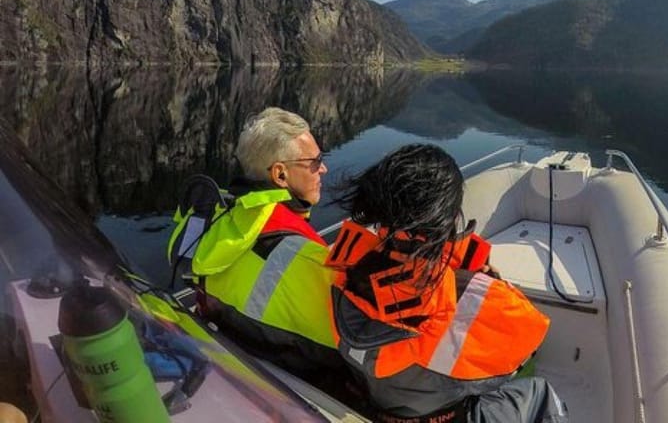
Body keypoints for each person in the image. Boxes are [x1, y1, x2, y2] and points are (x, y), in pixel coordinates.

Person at [327, 144, 568, 423]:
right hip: (447, 417)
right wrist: (488, 280)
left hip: (377, 406)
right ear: (448, 215)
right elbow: (525, 348)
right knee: (540, 392)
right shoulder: (474, 298)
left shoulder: (346, 271)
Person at [166, 107, 343, 386]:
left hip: (227, 348)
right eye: (315, 161)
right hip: (289, 382)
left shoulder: (219, 221)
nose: (323, 168)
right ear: (280, 175)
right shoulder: (306, 254)